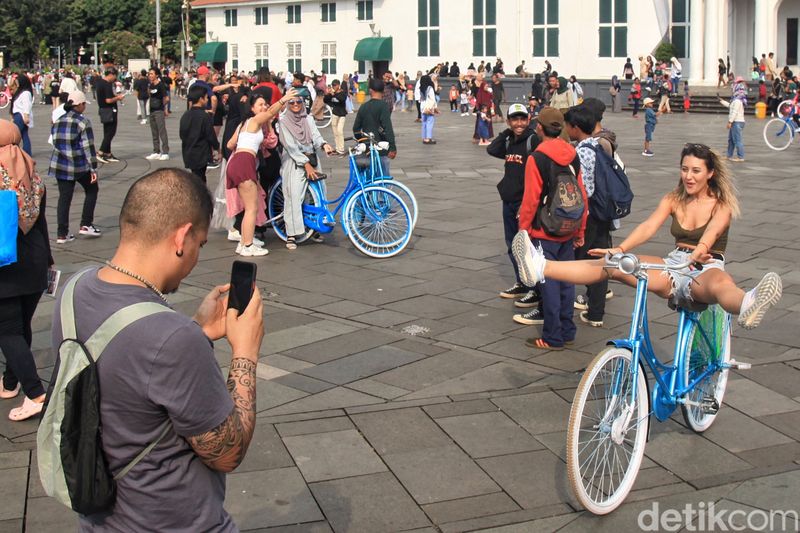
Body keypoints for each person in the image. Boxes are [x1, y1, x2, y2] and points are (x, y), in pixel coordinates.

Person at [48, 168, 264, 530]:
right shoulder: (171, 338)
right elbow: (227, 452)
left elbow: (130, 377)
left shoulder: (75, 288)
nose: (196, 257)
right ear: (182, 236)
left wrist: (198, 330)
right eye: (200, 244)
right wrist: (245, 352)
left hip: (102, 519)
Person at [512, 143, 782, 332]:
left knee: (721, 284)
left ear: (710, 173)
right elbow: (649, 226)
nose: (688, 176)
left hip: (706, 265)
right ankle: (540, 267)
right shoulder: (674, 198)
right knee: (613, 265)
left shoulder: (722, 204)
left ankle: (749, 303)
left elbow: (713, 231)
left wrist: (701, 249)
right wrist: (620, 248)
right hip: (674, 264)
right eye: (684, 169)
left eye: (696, 171)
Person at [513, 107, 587, 348]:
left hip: (544, 230)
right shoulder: (572, 153)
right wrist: (580, 229)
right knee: (567, 281)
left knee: (549, 283)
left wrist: (523, 229)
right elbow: (581, 193)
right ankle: (567, 330)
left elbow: (531, 198)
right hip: (569, 226)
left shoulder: (537, 157)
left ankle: (552, 335)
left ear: (540, 128)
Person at [0, 120, 49, 421]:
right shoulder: (32, 173)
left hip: (5, 267)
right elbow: (41, 222)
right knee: (20, 326)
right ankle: (10, 381)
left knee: (7, 331)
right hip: (35, 262)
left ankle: (36, 393)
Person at [487, 102, 542, 313]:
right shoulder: (510, 140)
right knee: (512, 245)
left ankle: (534, 289)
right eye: (514, 119)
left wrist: (531, 203)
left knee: (527, 247)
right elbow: (492, 149)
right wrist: (506, 132)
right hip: (508, 200)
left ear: (528, 120)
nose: (519, 123)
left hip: (524, 203)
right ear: (509, 121)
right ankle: (522, 282)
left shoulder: (532, 140)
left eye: (522, 119)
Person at [226, 91, 295, 256]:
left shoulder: (244, 124)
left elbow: (229, 144)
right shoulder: (255, 120)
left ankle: (243, 243)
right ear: (252, 108)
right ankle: (248, 246)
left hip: (236, 162)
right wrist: (283, 99)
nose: (264, 107)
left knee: (248, 207)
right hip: (244, 163)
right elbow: (271, 112)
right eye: (260, 105)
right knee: (251, 208)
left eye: (265, 104)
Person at [564, 104, 612, 327]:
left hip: (590, 212)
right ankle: (596, 313)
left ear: (575, 127)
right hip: (604, 211)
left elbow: (586, 189)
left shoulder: (581, 150)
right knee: (601, 260)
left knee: (582, 259)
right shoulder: (600, 145)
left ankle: (573, 303)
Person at [278, 91, 335, 250]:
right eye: (292, 102)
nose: (295, 105)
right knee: (294, 195)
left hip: (312, 158)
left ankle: (314, 227)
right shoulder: (283, 122)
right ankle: (291, 234)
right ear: (287, 104)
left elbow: (315, 137)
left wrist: (324, 145)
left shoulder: (308, 118)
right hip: (294, 162)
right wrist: (306, 164)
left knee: (319, 194)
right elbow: (290, 147)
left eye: (298, 102)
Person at [49, 91, 101, 244]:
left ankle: (62, 234)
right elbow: (88, 148)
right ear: (79, 105)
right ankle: (86, 223)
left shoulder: (58, 120)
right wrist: (94, 169)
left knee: (64, 198)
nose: (84, 107)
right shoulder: (83, 122)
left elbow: (55, 140)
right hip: (78, 165)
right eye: (84, 104)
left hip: (59, 164)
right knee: (92, 189)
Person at [352, 78, 397, 172]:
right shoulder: (383, 106)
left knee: (368, 180)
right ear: (383, 90)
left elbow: (356, 129)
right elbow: (387, 127)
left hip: (367, 149)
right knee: (383, 180)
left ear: (370, 90)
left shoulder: (363, 106)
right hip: (381, 149)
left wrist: (362, 140)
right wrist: (392, 147)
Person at [180, 85, 220, 183]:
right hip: (201, 152)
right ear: (200, 99)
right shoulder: (204, 116)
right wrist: (218, 149)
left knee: (196, 176)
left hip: (188, 152)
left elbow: (182, 134)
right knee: (200, 179)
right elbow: (211, 136)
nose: (207, 100)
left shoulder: (186, 115)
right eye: (206, 98)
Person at [95, 67, 124, 163]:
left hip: (103, 110)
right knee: (110, 132)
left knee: (107, 131)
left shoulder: (99, 83)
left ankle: (107, 153)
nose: (115, 79)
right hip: (109, 110)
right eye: (115, 76)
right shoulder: (107, 84)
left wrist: (115, 96)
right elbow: (108, 100)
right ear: (111, 75)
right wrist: (118, 98)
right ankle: (100, 152)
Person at [145, 67, 170, 161]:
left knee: (162, 131)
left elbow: (166, 98)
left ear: (156, 75)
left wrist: (163, 107)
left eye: (151, 74)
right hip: (151, 111)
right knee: (154, 132)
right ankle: (156, 151)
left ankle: (165, 152)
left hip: (159, 111)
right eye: (149, 74)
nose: (150, 75)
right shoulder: (151, 85)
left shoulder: (161, 85)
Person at [720, 77, 747, 162]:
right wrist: (721, 101)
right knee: (731, 140)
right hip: (737, 122)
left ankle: (740, 156)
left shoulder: (737, 101)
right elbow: (730, 106)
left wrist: (730, 122)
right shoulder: (736, 100)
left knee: (737, 140)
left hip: (737, 122)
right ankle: (729, 155)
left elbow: (734, 112)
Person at [10, 74, 34, 156]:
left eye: (17, 83)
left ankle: (15, 151)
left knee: (16, 135)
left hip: (21, 116)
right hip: (19, 115)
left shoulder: (25, 93)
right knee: (24, 134)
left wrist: (26, 116)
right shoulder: (22, 92)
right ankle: (26, 152)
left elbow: (27, 105)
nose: (17, 85)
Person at [323, 79, 348, 155]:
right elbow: (325, 100)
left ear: (338, 85)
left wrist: (333, 94)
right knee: (335, 132)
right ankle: (337, 148)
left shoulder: (342, 93)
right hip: (334, 114)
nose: (333, 87)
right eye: (333, 85)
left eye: (335, 85)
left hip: (342, 115)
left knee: (340, 131)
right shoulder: (332, 93)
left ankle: (341, 148)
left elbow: (342, 99)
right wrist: (328, 94)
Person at [418, 75, 438, 145]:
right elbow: (432, 99)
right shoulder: (430, 88)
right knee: (430, 122)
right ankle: (428, 138)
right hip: (428, 107)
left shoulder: (421, 88)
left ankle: (424, 137)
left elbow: (420, 99)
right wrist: (434, 107)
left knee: (424, 123)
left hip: (422, 107)